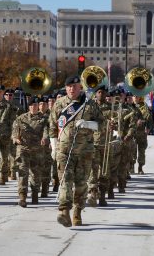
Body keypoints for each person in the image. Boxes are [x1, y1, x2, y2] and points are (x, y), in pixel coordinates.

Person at [49, 75, 104, 227]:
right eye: (69, 87)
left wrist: (88, 124)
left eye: (74, 86)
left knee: (80, 183)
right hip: (64, 150)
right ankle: (64, 211)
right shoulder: (59, 104)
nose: (71, 89)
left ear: (80, 87)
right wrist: (54, 147)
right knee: (65, 181)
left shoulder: (89, 104)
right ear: (66, 88)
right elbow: (52, 127)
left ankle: (77, 212)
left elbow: (102, 124)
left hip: (84, 151)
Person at [12, 96, 49, 207]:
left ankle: (34, 194)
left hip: (37, 150)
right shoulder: (21, 118)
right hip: (23, 149)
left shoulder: (44, 119)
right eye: (32, 105)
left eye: (36, 105)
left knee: (36, 173)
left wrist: (45, 138)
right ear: (29, 106)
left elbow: (47, 131)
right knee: (23, 172)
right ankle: (22, 197)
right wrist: (15, 138)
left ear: (38, 106)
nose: (34, 107)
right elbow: (14, 131)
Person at [87, 85, 112, 207]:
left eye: (103, 92)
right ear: (96, 93)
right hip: (93, 143)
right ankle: (92, 193)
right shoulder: (90, 108)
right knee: (93, 169)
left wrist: (114, 124)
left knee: (105, 172)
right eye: (99, 92)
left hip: (106, 144)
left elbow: (119, 124)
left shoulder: (111, 108)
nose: (101, 94)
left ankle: (102, 196)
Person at [4, 88, 24, 181]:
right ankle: (5, 172)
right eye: (7, 95)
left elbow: (23, 118)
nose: (9, 96)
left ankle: (12, 172)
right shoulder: (2, 104)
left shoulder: (18, 105)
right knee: (4, 154)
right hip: (3, 132)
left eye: (10, 95)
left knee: (13, 153)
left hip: (14, 132)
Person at [132, 95, 153, 174]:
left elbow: (149, 117)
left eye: (136, 96)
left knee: (141, 150)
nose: (135, 98)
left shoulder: (144, 106)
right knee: (132, 150)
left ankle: (140, 167)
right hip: (132, 131)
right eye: (134, 96)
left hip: (141, 132)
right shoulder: (129, 105)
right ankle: (131, 167)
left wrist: (148, 128)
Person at [38, 96, 53, 198]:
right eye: (40, 104)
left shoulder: (52, 116)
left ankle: (44, 188)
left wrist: (52, 141)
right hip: (35, 146)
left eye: (44, 104)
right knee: (35, 168)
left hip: (47, 146)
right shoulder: (33, 115)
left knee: (46, 168)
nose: (42, 106)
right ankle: (36, 187)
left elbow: (53, 129)